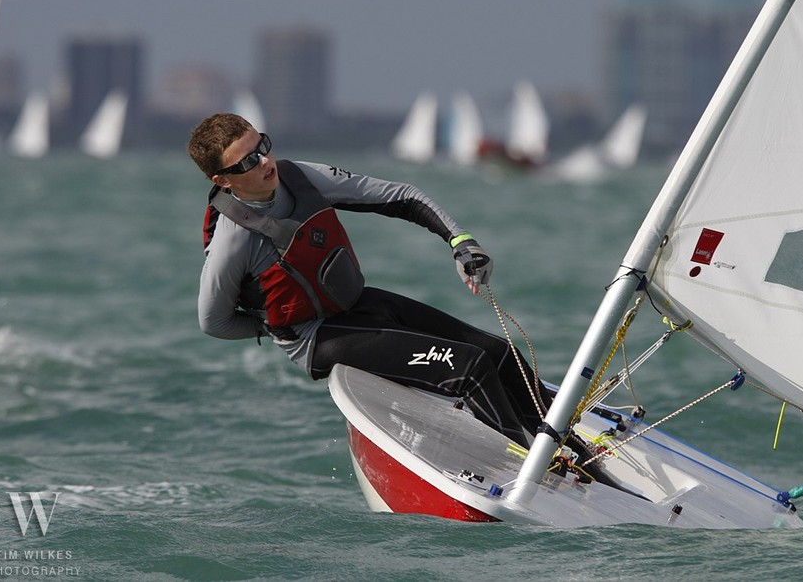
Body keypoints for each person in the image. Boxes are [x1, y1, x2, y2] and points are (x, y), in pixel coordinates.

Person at [187, 113, 550, 449]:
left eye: (262, 146)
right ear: (222, 180)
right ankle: (527, 457)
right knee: (469, 369)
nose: (265, 162)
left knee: (502, 354)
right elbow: (213, 321)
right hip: (318, 338)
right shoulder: (233, 241)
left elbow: (404, 197)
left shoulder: (299, 178)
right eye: (248, 161)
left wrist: (460, 242)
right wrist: (274, 328)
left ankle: (562, 434)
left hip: (358, 303)